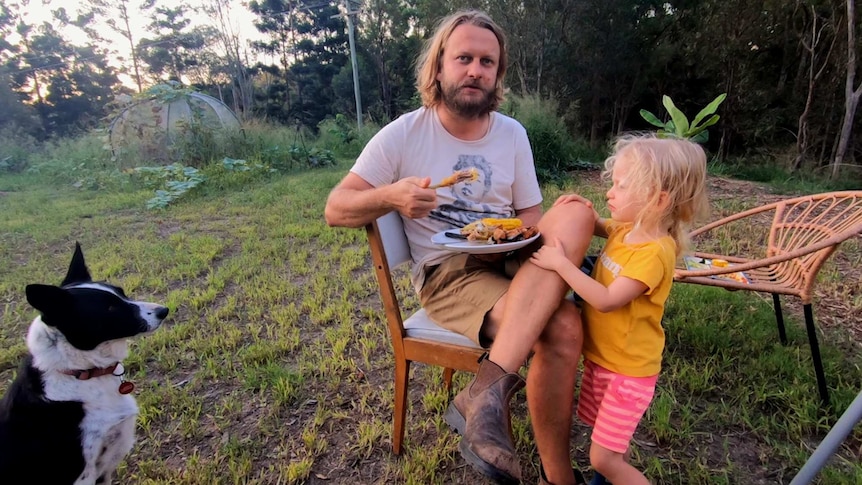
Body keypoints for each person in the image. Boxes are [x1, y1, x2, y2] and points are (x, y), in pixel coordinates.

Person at [324, 9, 595, 485]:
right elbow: (336, 208)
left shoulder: (512, 133)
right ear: (439, 67)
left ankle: (483, 392)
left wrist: (527, 237)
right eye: (464, 58)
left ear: (497, 75)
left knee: (577, 211)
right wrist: (392, 195)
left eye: (487, 62)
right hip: (448, 270)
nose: (475, 70)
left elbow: (530, 217)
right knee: (565, 327)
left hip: (510, 257)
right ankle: (559, 477)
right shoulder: (405, 132)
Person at [529, 134, 710, 485]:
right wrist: (579, 208)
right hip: (605, 361)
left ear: (657, 200)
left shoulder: (654, 253)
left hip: (628, 373)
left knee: (604, 456)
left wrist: (562, 264)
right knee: (609, 441)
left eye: (622, 186)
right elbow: (600, 226)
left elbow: (607, 300)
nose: (610, 192)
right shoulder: (628, 231)